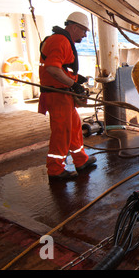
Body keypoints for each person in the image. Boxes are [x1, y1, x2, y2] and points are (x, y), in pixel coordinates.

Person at [38, 12, 96, 180]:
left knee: (75, 127)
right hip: (57, 95)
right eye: (84, 31)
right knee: (61, 132)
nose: (85, 36)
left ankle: (81, 160)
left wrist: (77, 78)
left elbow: (62, 69)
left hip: (62, 94)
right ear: (74, 27)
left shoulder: (62, 40)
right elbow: (52, 68)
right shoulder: (60, 41)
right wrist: (74, 85)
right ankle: (55, 170)